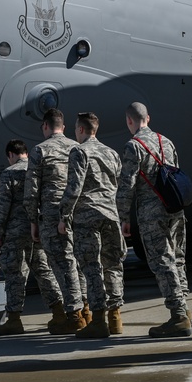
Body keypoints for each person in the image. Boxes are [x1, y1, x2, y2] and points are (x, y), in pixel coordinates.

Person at [117, 101, 192, 338]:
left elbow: (127, 184)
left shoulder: (133, 146)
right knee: (177, 259)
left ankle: (178, 316)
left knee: (162, 261)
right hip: (175, 208)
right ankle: (185, 310)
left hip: (151, 213)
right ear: (147, 118)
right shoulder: (165, 141)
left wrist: (123, 217)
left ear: (129, 121)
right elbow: (176, 171)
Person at [60, 112, 126, 338]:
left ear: (80, 130)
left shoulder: (79, 151)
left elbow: (74, 187)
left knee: (91, 267)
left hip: (87, 216)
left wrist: (64, 215)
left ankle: (98, 320)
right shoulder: (111, 153)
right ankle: (115, 318)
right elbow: (118, 183)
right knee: (113, 265)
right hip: (111, 215)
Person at [0, 139, 65, 335]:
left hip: (15, 233)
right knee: (43, 271)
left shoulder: (9, 172)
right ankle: (59, 313)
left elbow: (2, 206)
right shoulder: (36, 170)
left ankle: (14, 319)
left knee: (15, 274)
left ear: (10, 155)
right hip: (38, 230)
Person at [24, 108, 87, 334]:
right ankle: (87, 309)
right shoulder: (77, 147)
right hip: (78, 212)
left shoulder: (40, 150)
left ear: (45, 126)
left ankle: (74, 315)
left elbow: (31, 191)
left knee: (62, 264)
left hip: (52, 215)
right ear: (64, 127)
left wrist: (33, 220)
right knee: (78, 261)